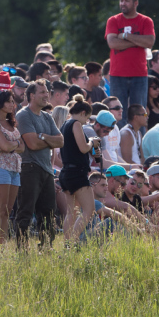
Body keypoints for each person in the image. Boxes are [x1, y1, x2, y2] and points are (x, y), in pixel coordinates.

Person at [14, 81, 62, 248]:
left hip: (46, 170)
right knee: (26, 211)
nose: (46, 95)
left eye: (47, 92)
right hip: (29, 168)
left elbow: (61, 141)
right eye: (42, 92)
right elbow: (32, 144)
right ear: (31, 95)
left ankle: (46, 247)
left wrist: (43, 137)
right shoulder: (23, 115)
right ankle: (22, 249)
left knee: (49, 212)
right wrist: (49, 140)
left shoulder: (47, 116)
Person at [104, 0, 156, 112]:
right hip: (117, 74)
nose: (123, 3)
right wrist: (138, 41)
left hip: (139, 75)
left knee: (139, 112)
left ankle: (139, 133)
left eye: (127, 1)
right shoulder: (113, 20)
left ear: (135, 3)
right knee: (117, 112)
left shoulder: (146, 21)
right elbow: (112, 43)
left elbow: (149, 42)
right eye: (121, 1)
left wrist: (126, 36)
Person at [0, 90, 24, 248]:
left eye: (13, 101)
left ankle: (2, 243)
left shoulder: (11, 122)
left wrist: (11, 146)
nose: (12, 104)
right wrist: (14, 145)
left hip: (14, 168)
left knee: (8, 210)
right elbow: (5, 146)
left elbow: (23, 147)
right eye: (8, 101)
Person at [58, 100, 97, 243]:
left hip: (66, 173)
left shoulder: (64, 125)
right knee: (89, 210)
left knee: (72, 212)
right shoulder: (76, 124)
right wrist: (92, 142)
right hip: (77, 174)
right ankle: (72, 242)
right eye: (87, 118)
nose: (86, 122)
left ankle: (67, 242)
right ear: (82, 113)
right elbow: (83, 148)